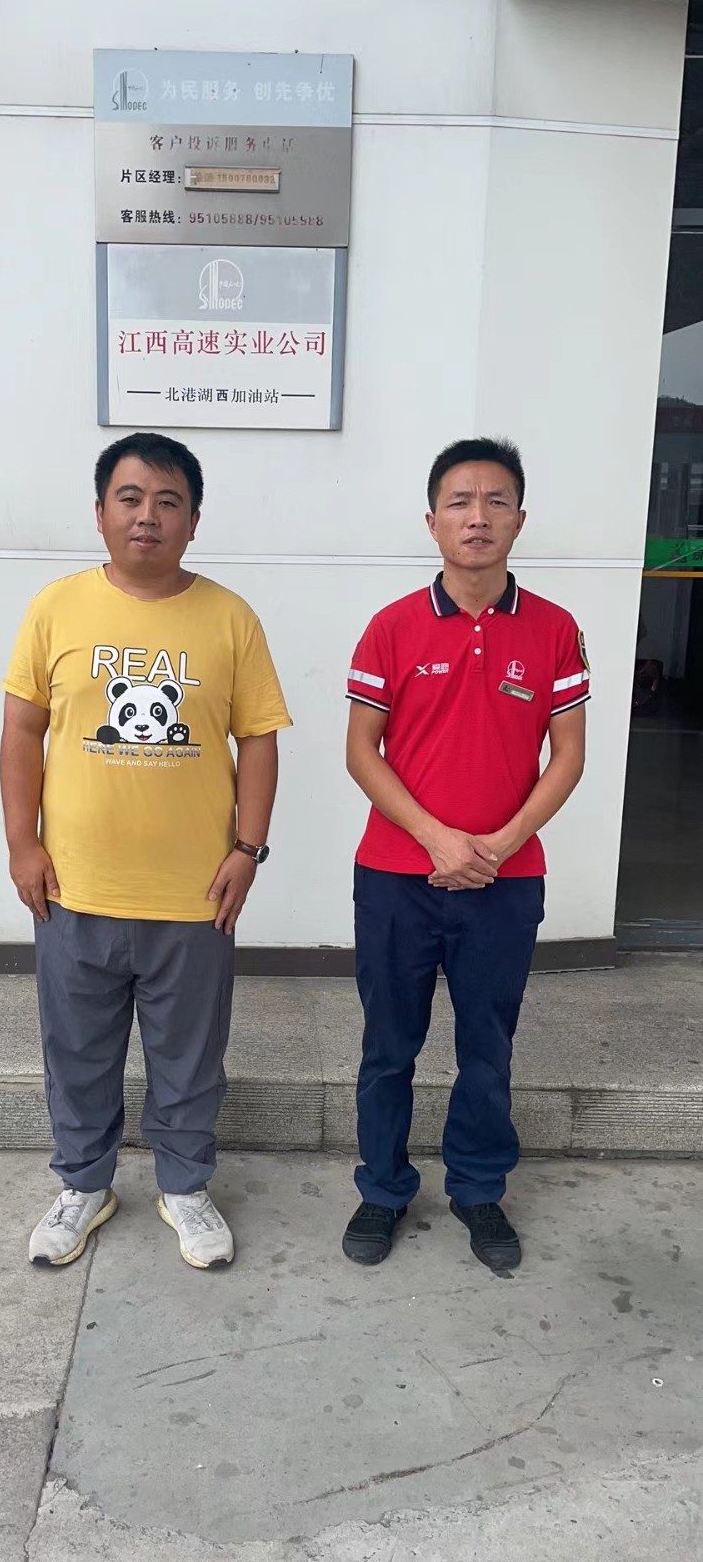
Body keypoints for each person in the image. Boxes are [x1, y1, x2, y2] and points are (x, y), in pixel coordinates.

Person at [0, 432, 291, 1270]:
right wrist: (22, 843)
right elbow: (21, 730)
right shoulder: (55, 608)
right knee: (76, 1052)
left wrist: (249, 849)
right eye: (130, 498)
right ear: (100, 513)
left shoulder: (230, 618)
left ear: (194, 520)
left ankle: (185, 1187)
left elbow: (259, 740)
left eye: (169, 502)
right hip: (73, 888)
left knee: (190, 1057)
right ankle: (83, 1185)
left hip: (195, 895)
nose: (148, 517)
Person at [342, 438, 588, 1273]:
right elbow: (362, 751)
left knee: (488, 1048)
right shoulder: (392, 627)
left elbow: (568, 757)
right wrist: (437, 839)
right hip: (396, 878)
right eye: (459, 501)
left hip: (505, 885)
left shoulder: (555, 630)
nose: (477, 517)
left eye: (495, 501)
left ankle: (479, 1189)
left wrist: (499, 846)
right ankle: (382, 1188)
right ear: (433, 521)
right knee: (389, 1046)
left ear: (519, 519)